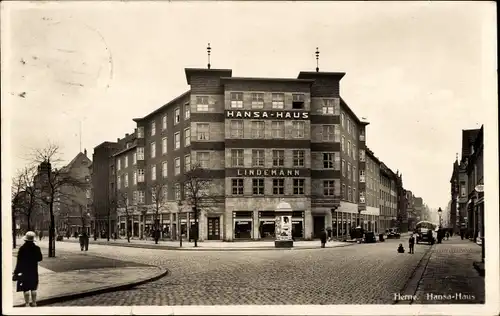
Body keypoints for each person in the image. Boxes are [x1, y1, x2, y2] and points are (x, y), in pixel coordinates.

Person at [13, 231, 43, 307]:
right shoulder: (37, 248)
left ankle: (27, 304)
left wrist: (16, 272)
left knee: (26, 288)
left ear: (25, 239)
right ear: (33, 240)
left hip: (24, 270)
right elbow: (40, 258)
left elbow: (19, 261)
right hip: (33, 270)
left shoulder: (22, 249)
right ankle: (34, 303)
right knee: (33, 287)